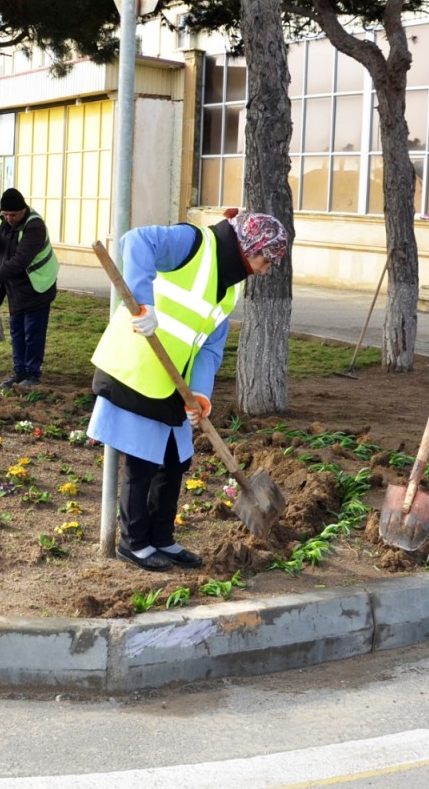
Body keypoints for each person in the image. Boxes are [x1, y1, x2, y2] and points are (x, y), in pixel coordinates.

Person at [87, 210, 289, 571]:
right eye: (266, 259)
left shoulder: (229, 287)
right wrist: (142, 303)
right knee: (142, 458)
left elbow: (210, 347)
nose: (266, 268)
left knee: (175, 461)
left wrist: (200, 393)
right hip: (137, 366)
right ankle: (133, 543)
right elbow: (136, 241)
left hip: (174, 384)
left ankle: (162, 538)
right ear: (250, 246)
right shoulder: (194, 243)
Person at [0, 188, 59, 388]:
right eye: (6, 214)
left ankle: (32, 373)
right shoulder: (2, 218)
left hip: (38, 285)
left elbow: (20, 261)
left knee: (33, 332)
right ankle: (19, 372)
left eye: (14, 215)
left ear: (24, 210)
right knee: (17, 331)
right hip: (15, 286)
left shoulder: (35, 226)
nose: (10, 218)